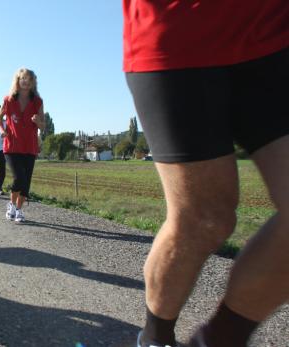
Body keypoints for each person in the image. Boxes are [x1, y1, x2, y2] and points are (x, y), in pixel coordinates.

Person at [122, 2, 288, 346]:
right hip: (176, 36)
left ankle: (216, 341)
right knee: (203, 218)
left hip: (273, 33)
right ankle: (155, 338)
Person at [0, 68, 44, 222]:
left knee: (26, 181)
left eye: (29, 79)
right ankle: (11, 203)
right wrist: (2, 129)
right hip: (12, 146)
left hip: (30, 147)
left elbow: (43, 126)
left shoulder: (37, 102)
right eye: (23, 78)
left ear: (33, 82)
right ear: (18, 80)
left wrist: (38, 122)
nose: (26, 82)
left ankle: (18, 210)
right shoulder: (8, 99)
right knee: (19, 177)